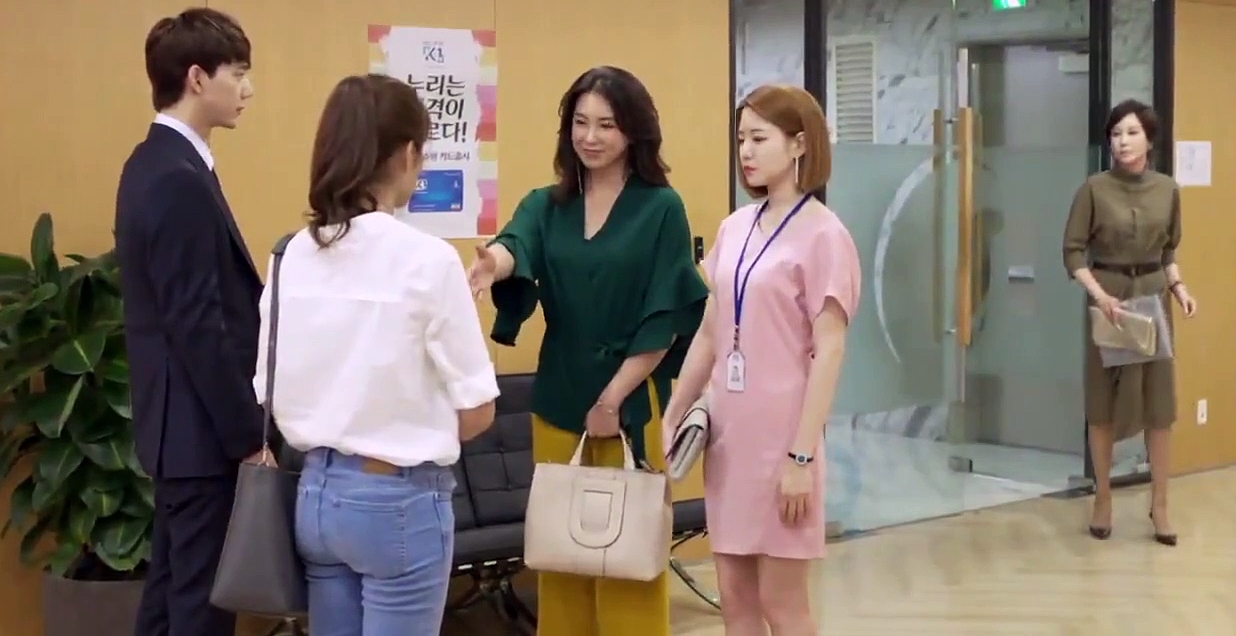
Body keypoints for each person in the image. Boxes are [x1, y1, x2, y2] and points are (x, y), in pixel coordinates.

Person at [466, 65, 708, 636]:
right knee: (562, 556)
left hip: (634, 402)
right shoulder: (547, 204)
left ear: (633, 132)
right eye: (580, 122)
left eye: (606, 124)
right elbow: (516, 244)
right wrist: (493, 263)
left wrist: (613, 398)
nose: (590, 136)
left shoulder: (661, 207)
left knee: (630, 561)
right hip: (560, 399)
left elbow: (666, 313)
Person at [259, 74, 500, 635]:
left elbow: (267, 388)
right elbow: (478, 410)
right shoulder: (428, 260)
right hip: (398, 500)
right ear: (409, 153)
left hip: (314, 495)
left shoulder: (289, 256)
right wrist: (411, 424)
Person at [663, 84, 860, 636]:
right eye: (741, 139)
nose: (745, 151)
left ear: (799, 144)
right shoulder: (735, 227)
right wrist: (675, 411)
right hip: (730, 440)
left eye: (759, 138)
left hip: (785, 442)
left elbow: (830, 351)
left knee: (782, 603)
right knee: (735, 598)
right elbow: (710, 330)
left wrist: (801, 459)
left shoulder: (825, 235)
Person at [114, 7, 267, 636]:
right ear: (198, 78)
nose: (247, 89)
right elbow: (198, 324)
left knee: (171, 597)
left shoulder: (154, 162)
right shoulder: (176, 176)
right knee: (200, 609)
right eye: (238, 73)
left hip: (177, 432)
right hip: (200, 436)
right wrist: (247, 437)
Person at [1062, 98, 1197, 547]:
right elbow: (1073, 251)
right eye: (1116, 133)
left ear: (1149, 139)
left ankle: (1161, 505)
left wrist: (1179, 288)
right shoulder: (1094, 189)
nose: (1122, 141)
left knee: (1159, 407)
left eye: (1132, 132)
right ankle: (1103, 499)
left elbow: (1168, 250)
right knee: (1102, 404)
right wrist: (1099, 295)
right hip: (1109, 301)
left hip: (1152, 299)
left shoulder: (1167, 190)